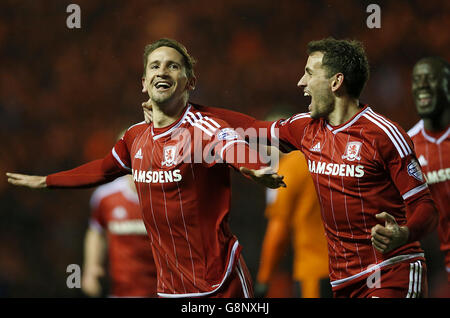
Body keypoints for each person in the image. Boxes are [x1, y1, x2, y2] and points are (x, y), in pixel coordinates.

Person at [149, 37, 439, 298]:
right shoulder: (306, 129)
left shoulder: (384, 135)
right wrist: (182, 110)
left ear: (335, 82)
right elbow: (251, 128)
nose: (301, 82)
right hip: (341, 281)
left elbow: (425, 205)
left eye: (310, 74)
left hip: (392, 271)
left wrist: (404, 233)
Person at [7, 38, 285, 298]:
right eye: (155, 66)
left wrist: (255, 166)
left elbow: (231, 145)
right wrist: (47, 181)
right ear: (144, 82)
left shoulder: (202, 128)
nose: (162, 71)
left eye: (172, 66)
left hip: (220, 283)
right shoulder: (134, 137)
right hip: (169, 288)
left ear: (190, 83)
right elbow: (103, 170)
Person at [255, 149, 331, 298]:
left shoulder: (291, 166)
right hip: (353, 269)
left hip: (315, 270)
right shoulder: (332, 155)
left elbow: (279, 228)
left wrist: (263, 279)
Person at [407, 57, 450, 285]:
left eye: (431, 78)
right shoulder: (407, 147)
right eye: (416, 80)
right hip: (437, 270)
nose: (422, 84)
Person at [82, 174, 157, 298]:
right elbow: (96, 231)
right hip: (121, 291)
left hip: (164, 290)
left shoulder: (169, 195)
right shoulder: (105, 196)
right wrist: (91, 268)